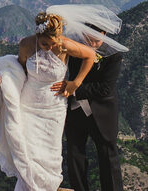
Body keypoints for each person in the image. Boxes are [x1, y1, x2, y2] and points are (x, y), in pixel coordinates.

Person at [0, 9, 96, 191]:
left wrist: (76, 83)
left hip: (54, 107)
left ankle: (49, 186)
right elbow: (19, 72)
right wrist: (3, 83)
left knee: (50, 151)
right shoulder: (26, 45)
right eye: (45, 43)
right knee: (27, 150)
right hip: (29, 103)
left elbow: (90, 55)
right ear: (37, 35)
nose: (49, 47)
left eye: (53, 43)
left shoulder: (64, 45)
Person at [49, 12, 126, 191]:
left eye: (96, 39)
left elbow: (105, 88)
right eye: (88, 38)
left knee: (108, 155)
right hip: (75, 110)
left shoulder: (114, 56)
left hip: (102, 112)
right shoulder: (75, 47)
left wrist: (73, 88)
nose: (91, 43)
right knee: (74, 153)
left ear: (105, 35)